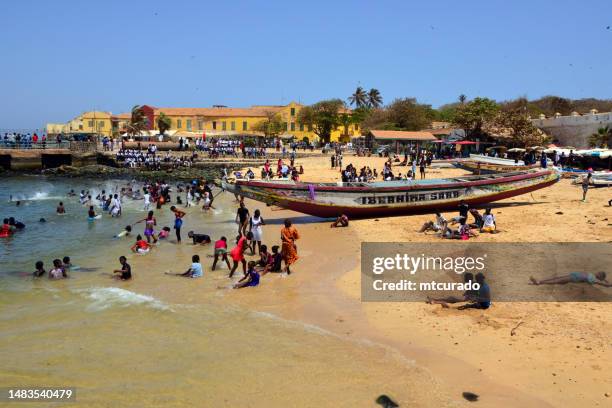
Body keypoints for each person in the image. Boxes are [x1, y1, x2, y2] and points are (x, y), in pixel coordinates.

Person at [530, 271, 610, 287]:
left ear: (599, 276)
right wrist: (604, 280)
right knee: (556, 279)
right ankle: (539, 281)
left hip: (573, 278)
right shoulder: (593, 276)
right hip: (573, 276)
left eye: (599, 273)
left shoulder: (594, 280)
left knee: (556, 280)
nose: (597, 272)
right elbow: (603, 282)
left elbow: (605, 285)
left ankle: (539, 282)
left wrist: (607, 283)